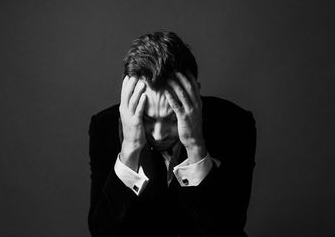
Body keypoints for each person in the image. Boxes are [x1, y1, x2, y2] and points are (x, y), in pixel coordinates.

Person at [87, 31, 257, 237]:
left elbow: (228, 231)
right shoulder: (105, 126)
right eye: (147, 119)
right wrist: (129, 151)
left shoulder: (234, 124)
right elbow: (101, 233)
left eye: (173, 118)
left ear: (195, 96)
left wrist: (196, 148)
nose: (158, 135)